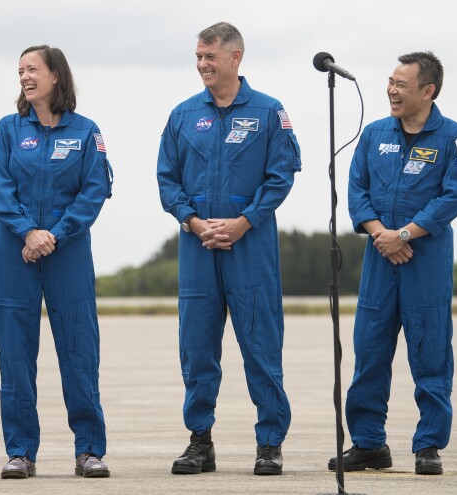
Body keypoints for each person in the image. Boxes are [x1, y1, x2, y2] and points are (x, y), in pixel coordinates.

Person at [156, 22, 301, 476]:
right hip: (197, 247)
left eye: (210, 57)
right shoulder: (182, 116)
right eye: (198, 57)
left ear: (235, 57)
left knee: (261, 346)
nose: (202, 64)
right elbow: (167, 180)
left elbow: (281, 176)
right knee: (197, 348)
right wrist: (194, 221)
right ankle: (200, 442)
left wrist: (244, 223)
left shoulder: (267, 112)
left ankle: (270, 443)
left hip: (250, 247)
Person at [328, 51, 457, 476]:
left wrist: (406, 234)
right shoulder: (374, 134)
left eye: (401, 84)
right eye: (390, 82)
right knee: (369, 351)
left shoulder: (455, 138)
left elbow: (455, 195)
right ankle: (369, 444)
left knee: (430, 353)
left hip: (424, 259)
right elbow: (357, 190)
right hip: (380, 258)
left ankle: (428, 445)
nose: (391, 90)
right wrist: (382, 235)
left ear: (427, 91)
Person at [0, 45, 114, 480]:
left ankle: (89, 451)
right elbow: (0, 189)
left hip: (69, 250)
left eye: (33, 69)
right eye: (19, 70)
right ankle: (20, 451)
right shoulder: (6, 130)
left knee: (80, 351)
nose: (24, 76)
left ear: (56, 75)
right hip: (13, 250)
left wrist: (53, 236)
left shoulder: (86, 132)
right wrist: (28, 231)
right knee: (16, 354)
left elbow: (95, 191)